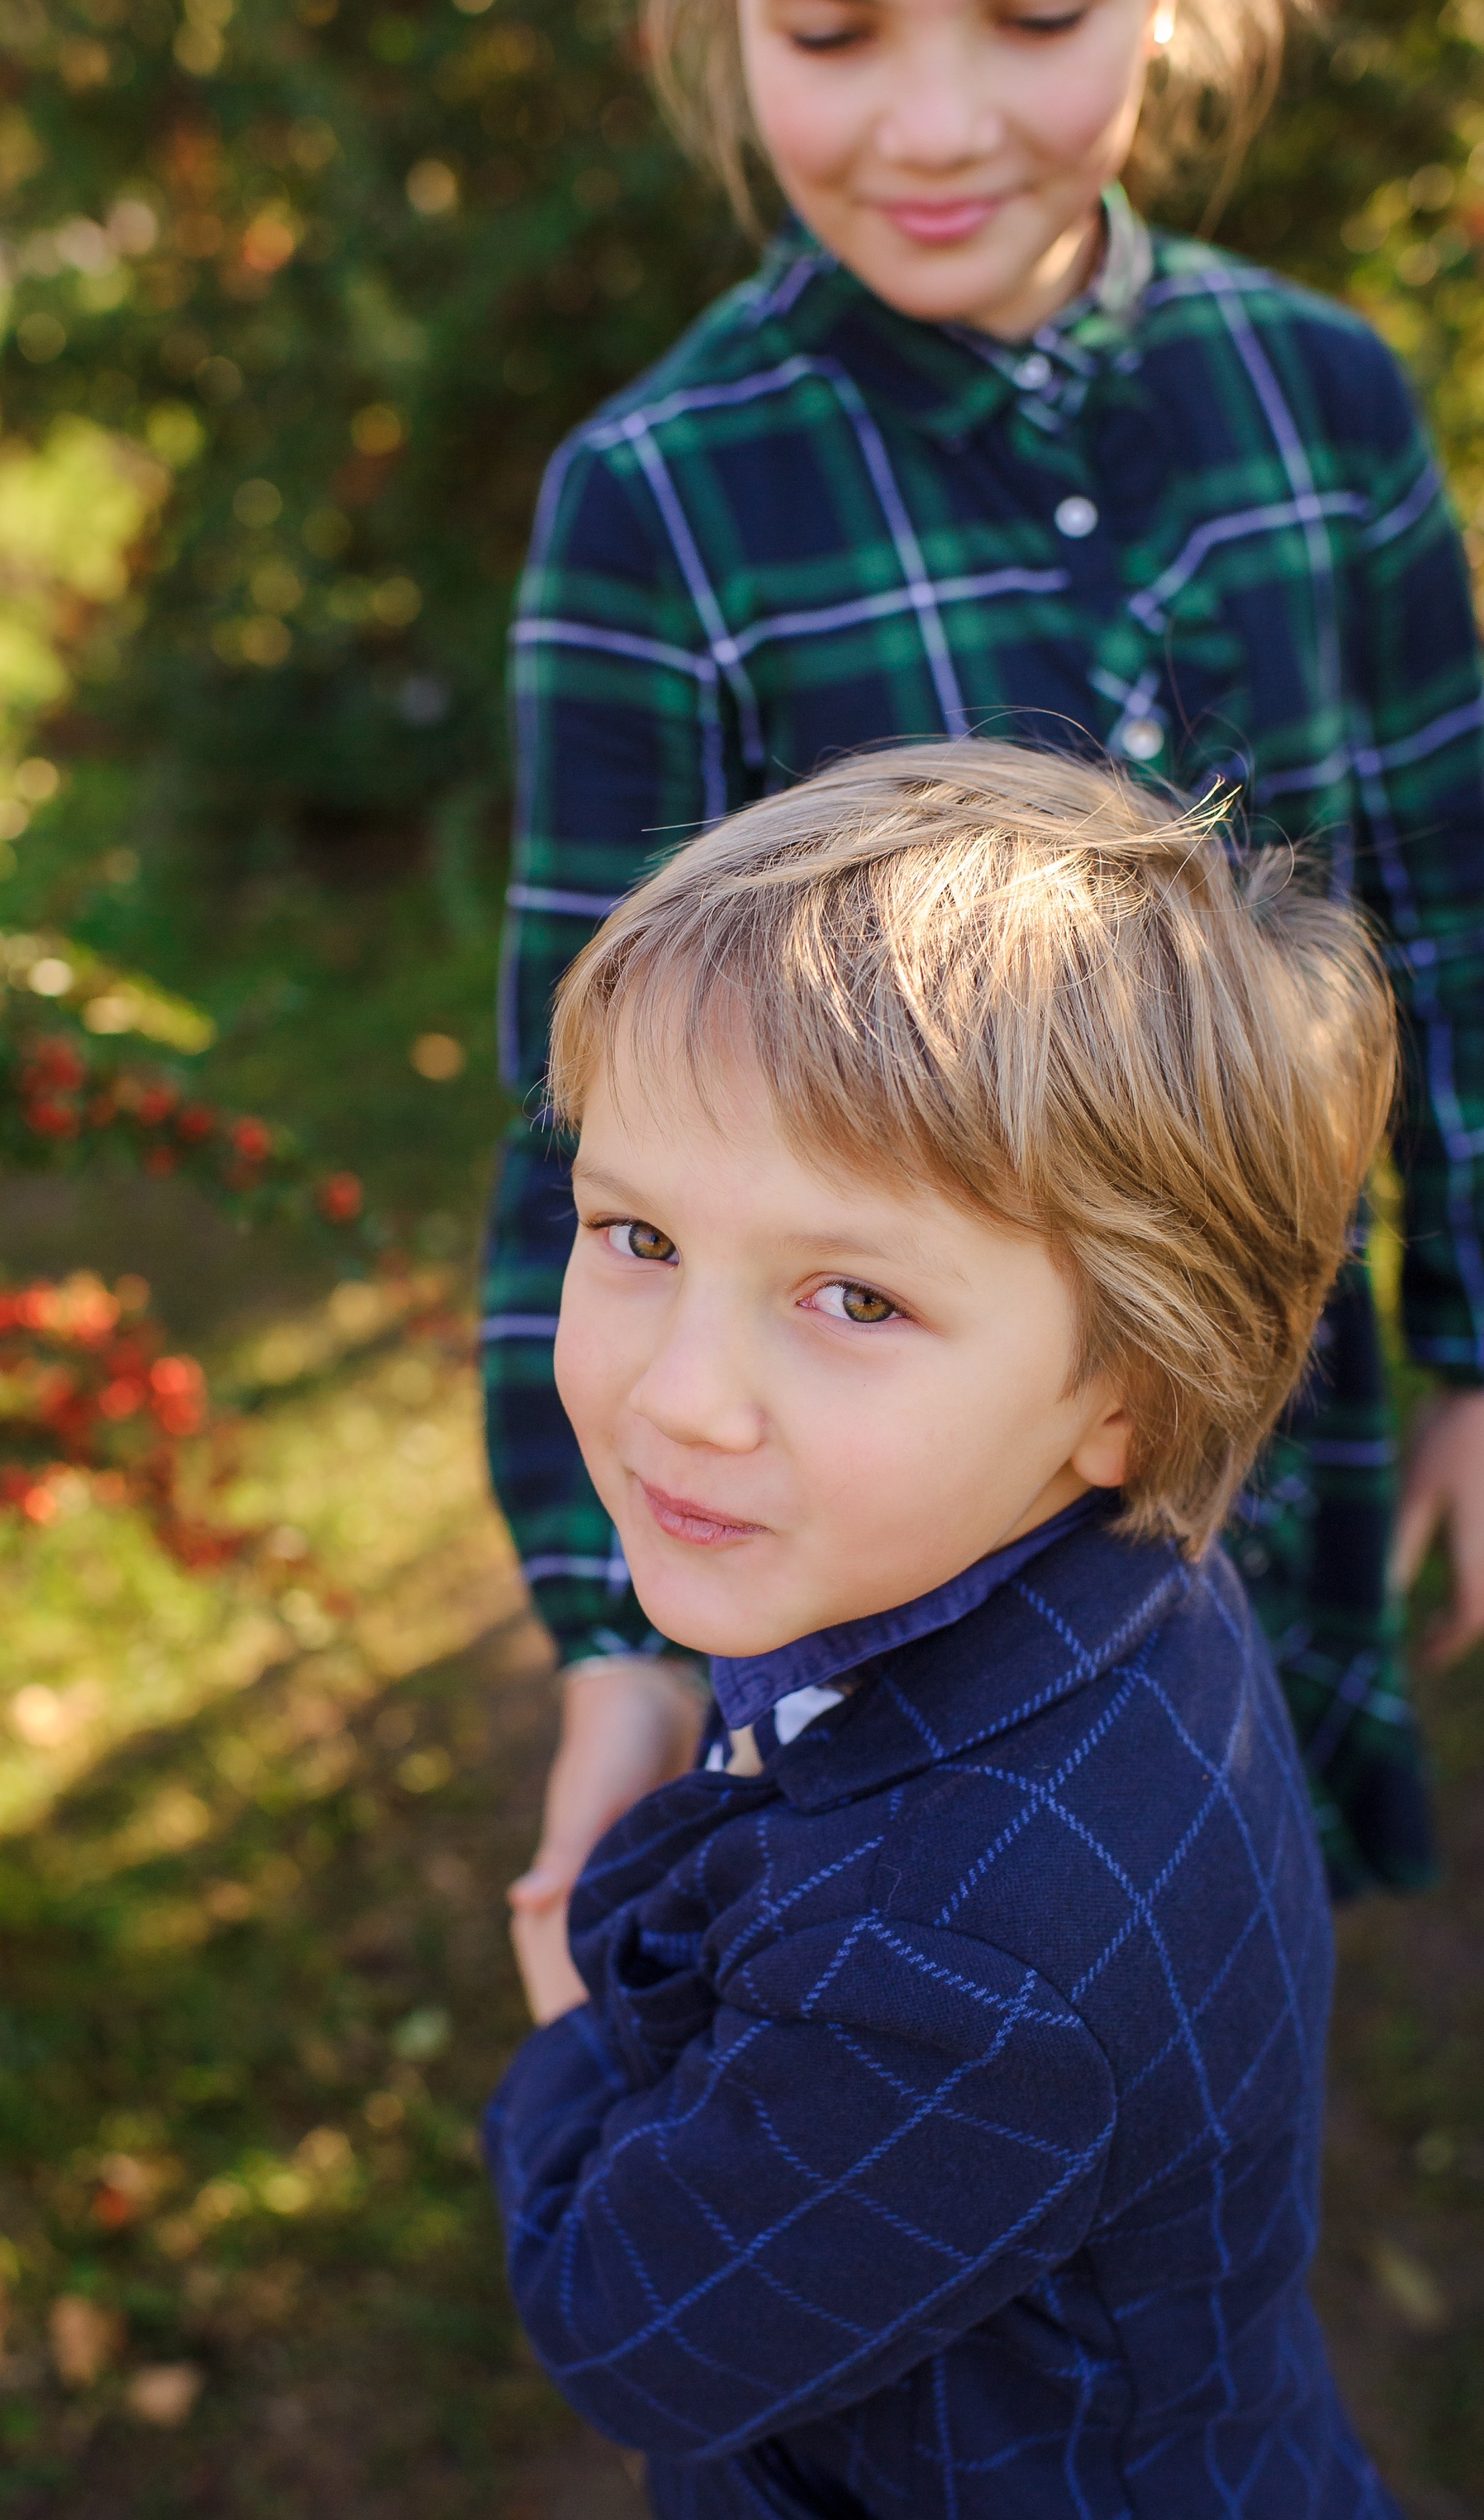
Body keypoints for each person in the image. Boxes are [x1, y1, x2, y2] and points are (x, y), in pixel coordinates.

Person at [482, 0, 1484, 1990]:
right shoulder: (664, 493)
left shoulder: (1317, 401)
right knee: (944, 2025)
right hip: (883, 1487)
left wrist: (1473, 1341)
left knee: (1220, 1954)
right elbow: (578, 1117)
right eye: (832, 36)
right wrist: (614, 1645)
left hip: (1245, 1413)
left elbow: (1437, 907)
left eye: (1030, 20)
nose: (929, 126)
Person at [486, 741, 1402, 2517]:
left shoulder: (958, 1973)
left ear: (1130, 1389)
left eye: (854, 1294)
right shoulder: (1082, 1566)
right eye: (638, 1232)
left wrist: (572, 2043)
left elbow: (632, 2330)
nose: (683, 1397)